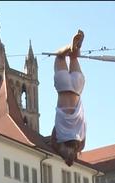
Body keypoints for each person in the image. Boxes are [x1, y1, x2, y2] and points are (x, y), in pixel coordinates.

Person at [50, 30, 86, 166]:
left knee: (73, 58)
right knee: (59, 57)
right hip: (63, 88)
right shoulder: (59, 139)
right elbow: (54, 133)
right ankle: (69, 47)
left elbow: (84, 124)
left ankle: (74, 49)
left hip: (77, 88)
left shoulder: (81, 142)